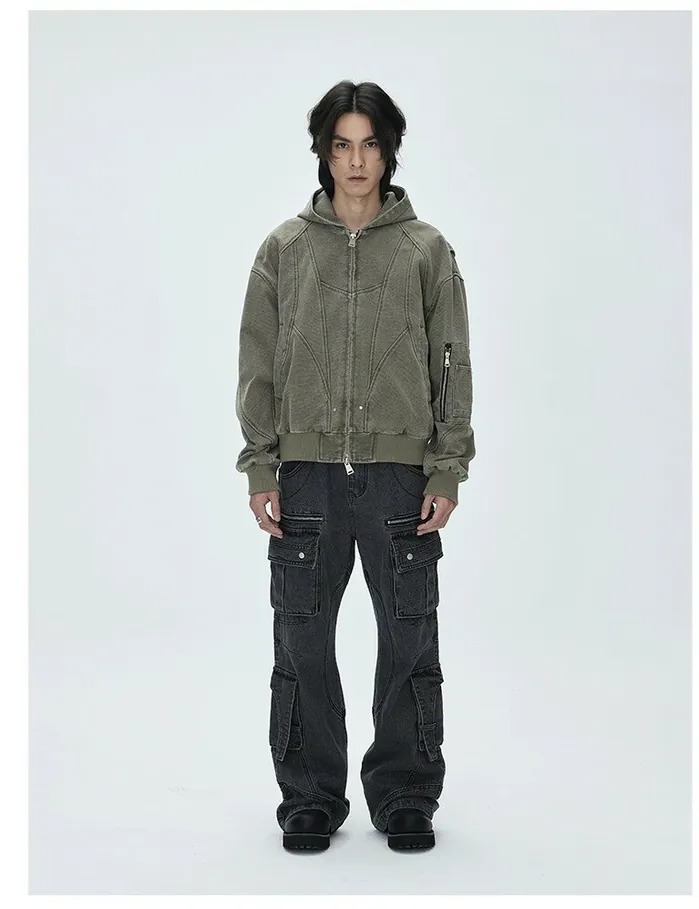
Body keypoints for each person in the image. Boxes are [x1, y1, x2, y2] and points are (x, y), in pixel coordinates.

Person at [234, 80, 476, 851]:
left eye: (370, 144)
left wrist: (445, 467)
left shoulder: (426, 250)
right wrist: (261, 465)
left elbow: (452, 363)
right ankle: (309, 795)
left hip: (400, 476)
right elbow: (257, 363)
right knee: (301, 642)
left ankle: (405, 793)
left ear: (389, 150)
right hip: (305, 475)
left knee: (409, 639)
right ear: (323, 151)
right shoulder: (283, 249)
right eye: (341, 145)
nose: (356, 160)